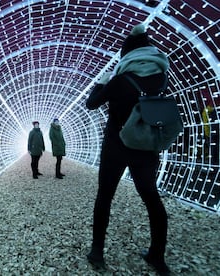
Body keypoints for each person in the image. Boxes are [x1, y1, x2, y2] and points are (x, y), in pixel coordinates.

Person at [85, 24, 171, 275]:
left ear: (127, 54)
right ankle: (157, 256)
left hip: (116, 146)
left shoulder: (121, 79)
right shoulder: (161, 77)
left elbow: (91, 104)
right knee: (151, 198)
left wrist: (101, 82)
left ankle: (97, 251)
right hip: (146, 148)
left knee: (105, 197)